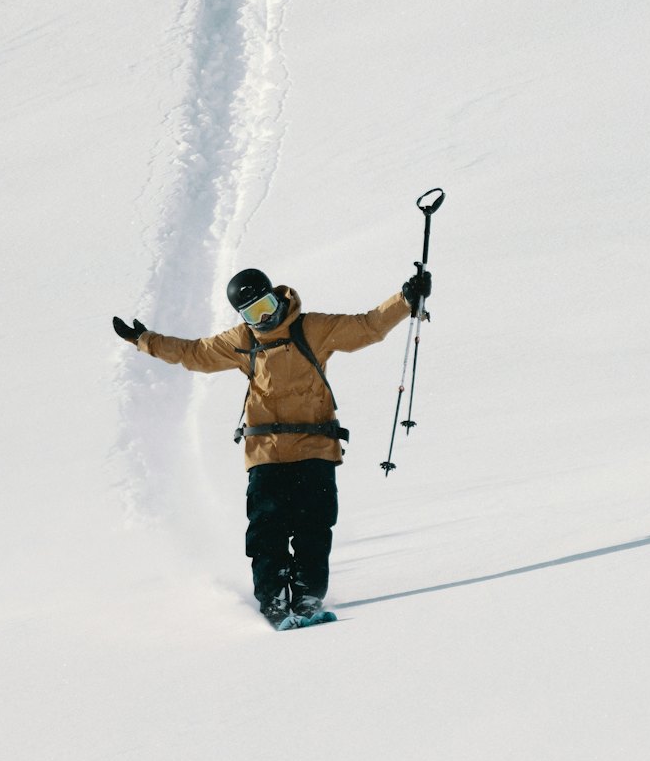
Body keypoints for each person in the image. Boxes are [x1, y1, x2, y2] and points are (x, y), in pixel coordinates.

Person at [113, 264, 431, 629]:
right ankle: (274, 604)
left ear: (277, 297)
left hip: (315, 447)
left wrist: (406, 299)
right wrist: (145, 340)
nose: (263, 319)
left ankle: (309, 599)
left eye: (266, 307)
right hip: (265, 452)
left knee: (314, 528)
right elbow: (194, 353)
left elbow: (367, 326)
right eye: (252, 314)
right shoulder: (242, 341)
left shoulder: (312, 328)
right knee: (267, 531)